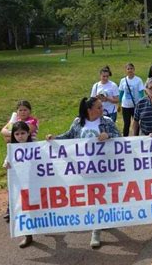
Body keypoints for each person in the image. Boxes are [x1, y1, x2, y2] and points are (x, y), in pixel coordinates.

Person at [46, 97, 121, 248]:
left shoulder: (106, 121)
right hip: (83, 169)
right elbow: (68, 136)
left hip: (103, 167)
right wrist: (53, 139)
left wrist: (109, 136)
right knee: (92, 199)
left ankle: (99, 226)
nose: (102, 110)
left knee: (101, 198)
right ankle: (98, 226)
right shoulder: (78, 122)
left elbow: (120, 137)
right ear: (89, 110)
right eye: (99, 107)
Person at [3, 121, 34, 248]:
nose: (20, 136)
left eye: (23, 133)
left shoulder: (35, 146)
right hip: (20, 185)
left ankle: (43, 225)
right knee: (23, 208)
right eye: (17, 134)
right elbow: (7, 161)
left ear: (28, 133)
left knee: (36, 208)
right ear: (13, 135)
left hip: (34, 183)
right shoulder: (12, 149)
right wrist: (6, 164)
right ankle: (28, 235)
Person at [118, 62, 144, 137]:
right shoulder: (123, 80)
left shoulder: (138, 80)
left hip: (135, 105)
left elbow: (141, 93)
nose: (130, 70)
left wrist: (140, 103)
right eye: (128, 69)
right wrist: (119, 104)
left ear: (134, 69)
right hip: (125, 105)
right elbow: (121, 93)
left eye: (131, 68)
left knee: (136, 122)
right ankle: (125, 138)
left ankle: (136, 137)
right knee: (126, 123)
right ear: (126, 70)